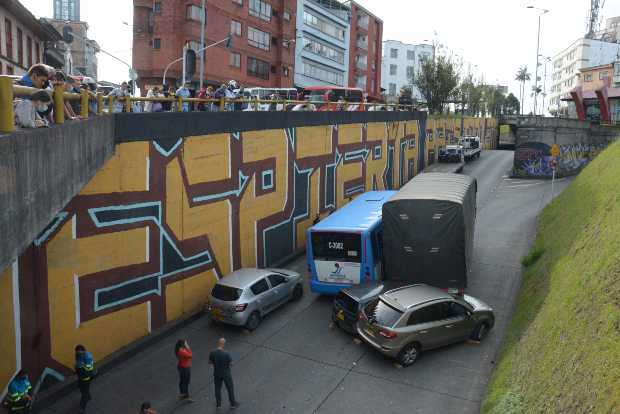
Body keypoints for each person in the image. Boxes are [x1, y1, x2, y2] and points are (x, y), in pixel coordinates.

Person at [209, 338, 238, 409]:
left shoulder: (212, 352)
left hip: (217, 373)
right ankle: (232, 404)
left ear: (218, 343)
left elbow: (210, 362)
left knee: (217, 389)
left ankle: (218, 405)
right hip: (226, 374)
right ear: (223, 344)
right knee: (230, 388)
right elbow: (231, 364)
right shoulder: (226, 354)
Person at [75, 344, 96, 413]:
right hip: (82, 378)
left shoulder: (88, 358)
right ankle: (88, 396)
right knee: (82, 389)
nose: (78, 354)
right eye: (77, 352)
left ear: (83, 351)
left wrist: (79, 369)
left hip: (86, 379)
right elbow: (78, 364)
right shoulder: (79, 355)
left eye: (79, 353)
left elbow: (88, 371)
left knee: (84, 394)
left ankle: (82, 407)